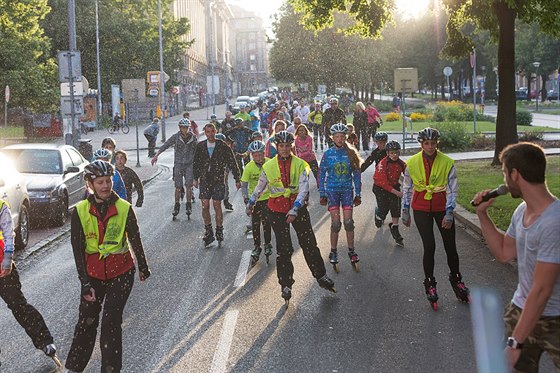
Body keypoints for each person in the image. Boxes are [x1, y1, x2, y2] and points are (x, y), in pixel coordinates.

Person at [472, 142, 560, 372]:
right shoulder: (522, 210)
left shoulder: (554, 222)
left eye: (504, 173)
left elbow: (542, 290)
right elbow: (503, 252)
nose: (503, 181)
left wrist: (514, 343)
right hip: (521, 308)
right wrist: (482, 215)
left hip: (557, 317)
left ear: (515, 174)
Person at [65, 160, 150, 373]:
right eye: (100, 182)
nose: (106, 186)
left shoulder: (124, 208)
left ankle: (111, 370)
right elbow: (78, 250)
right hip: (93, 274)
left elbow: (135, 239)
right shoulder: (80, 211)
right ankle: (74, 368)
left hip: (121, 272)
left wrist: (143, 266)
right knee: (86, 322)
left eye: (108, 181)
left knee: (110, 324)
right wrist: (84, 282)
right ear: (90, 184)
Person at [246, 131, 336, 303]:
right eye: (281, 146)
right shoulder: (269, 166)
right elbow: (260, 187)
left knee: (309, 243)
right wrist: (251, 203)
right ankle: (285, 283)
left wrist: (295, 208)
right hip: (277, 210)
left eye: (288, 146)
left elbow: (304, 189)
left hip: (298, 208)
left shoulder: (301, 164)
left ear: (292, 147)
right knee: (284, 248)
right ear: (276, 147)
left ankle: (321, 276)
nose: (285, 149)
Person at [401, 128, 469, 309]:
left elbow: (452, 189)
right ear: (421, 144)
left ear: (437, 143)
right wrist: (405, 209)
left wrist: (449, 212)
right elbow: (407, 187)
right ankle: (430, 283)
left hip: (441, 207)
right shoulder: (412, 163)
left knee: (450, 246)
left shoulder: (447, 162)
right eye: (426, 144)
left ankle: (457, 279)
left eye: (433, 143)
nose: (430, 147)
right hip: (421, 208)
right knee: (429, 246)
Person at [0, 199, 60, 367]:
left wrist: (8, 258)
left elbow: (8, 232)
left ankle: (44, 341)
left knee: (18, 305)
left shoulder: (0, 205)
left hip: (4, 268)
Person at [318, 123, 362, 272]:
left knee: (349, 223)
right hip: (332, 191)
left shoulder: (351, 153)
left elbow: (356, 174)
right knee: (336, 224)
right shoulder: (328, 154)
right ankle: (333, 250)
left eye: (342, 137)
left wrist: (359, 193)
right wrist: (322, 193)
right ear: (332, 138)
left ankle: (351, 250)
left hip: (347, 191)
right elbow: (321, 173)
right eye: (337, 137)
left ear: (345, 137)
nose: (340, 139)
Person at [193, 123, 241, 246]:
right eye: (207, 132)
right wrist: (195, 178)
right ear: (205, 132)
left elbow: (232, 161)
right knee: (204, 205)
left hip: (218, 179)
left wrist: (237, 178)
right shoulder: (201, 146)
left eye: (212, 131)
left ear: (215, 131)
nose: (210, 134)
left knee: (217, 204)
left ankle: (219, 229)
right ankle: (208, 230)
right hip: (205, 179)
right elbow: (196, 163)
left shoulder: (222, 146)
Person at [151, 118, 197, 217]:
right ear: (180, 128)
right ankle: (177, 206)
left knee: (189, 186)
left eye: (187, 128)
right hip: (179, 164)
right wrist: (156, 155)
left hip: (189, 164)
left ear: (189, 128)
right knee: (178, 187)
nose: (185, 130)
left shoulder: (193, 138)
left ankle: (188, 205)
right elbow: (165, 145)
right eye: (183, 128)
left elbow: (197, 152)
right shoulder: (176, 137)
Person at [241, 140, 273, 265]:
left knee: (267, 222)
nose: (258, 157)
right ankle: (257, 246)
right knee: (255, 224)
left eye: (260, 154)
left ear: (264, 153)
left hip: (268, 197)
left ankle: (268, 243)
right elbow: (244, 185)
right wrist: (245, 198)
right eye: (255, 155)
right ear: (252, 155)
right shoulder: (249, 167)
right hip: (254, 199)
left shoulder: (270, 163)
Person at [372, 140, 406, 245]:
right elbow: (382, 183)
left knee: (395, 207)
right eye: (392, 153)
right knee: (384, 209)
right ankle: (379, 214)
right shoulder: (383, 164)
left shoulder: (401, 163)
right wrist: (396, 192)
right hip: (380, 187)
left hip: (393, 186)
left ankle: (395, 228)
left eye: (396, 152)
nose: (394, 155)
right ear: (387, 153)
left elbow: (408, 176)